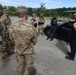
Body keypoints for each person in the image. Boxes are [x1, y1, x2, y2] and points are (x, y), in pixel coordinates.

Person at [9, 6, 37, 75]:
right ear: (24, 14)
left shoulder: (11, 26)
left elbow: (11, 39)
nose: (28, 15)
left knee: (20, 65)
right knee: (30, 65)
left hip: (18, 50)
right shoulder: (31, 27)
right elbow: (34, 41)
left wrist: (18, 44)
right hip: (28, 50)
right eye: (27, 14)